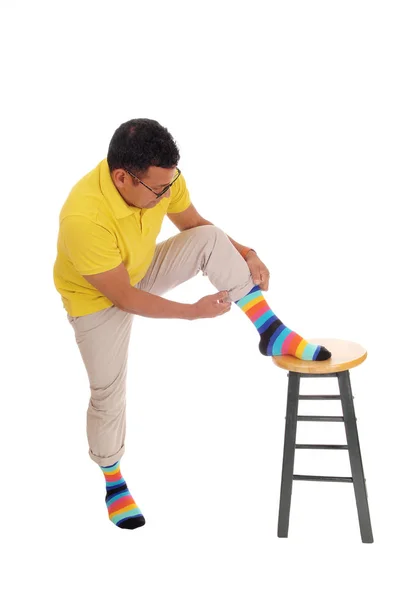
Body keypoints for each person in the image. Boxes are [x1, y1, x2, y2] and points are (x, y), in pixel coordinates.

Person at [53, 118, 332, 530]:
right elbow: (124, 299)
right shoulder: (83, 217)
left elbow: (196, 227)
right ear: (122, 178)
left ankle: (270, 331)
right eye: (158, 189)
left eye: (171, 184)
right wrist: (192, 311)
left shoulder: (159, 180)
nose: (167, 193)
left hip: (137, 269)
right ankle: (113, 480)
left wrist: (248, 253)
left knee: (211, 238)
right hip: (97, 299)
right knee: (108, 394)